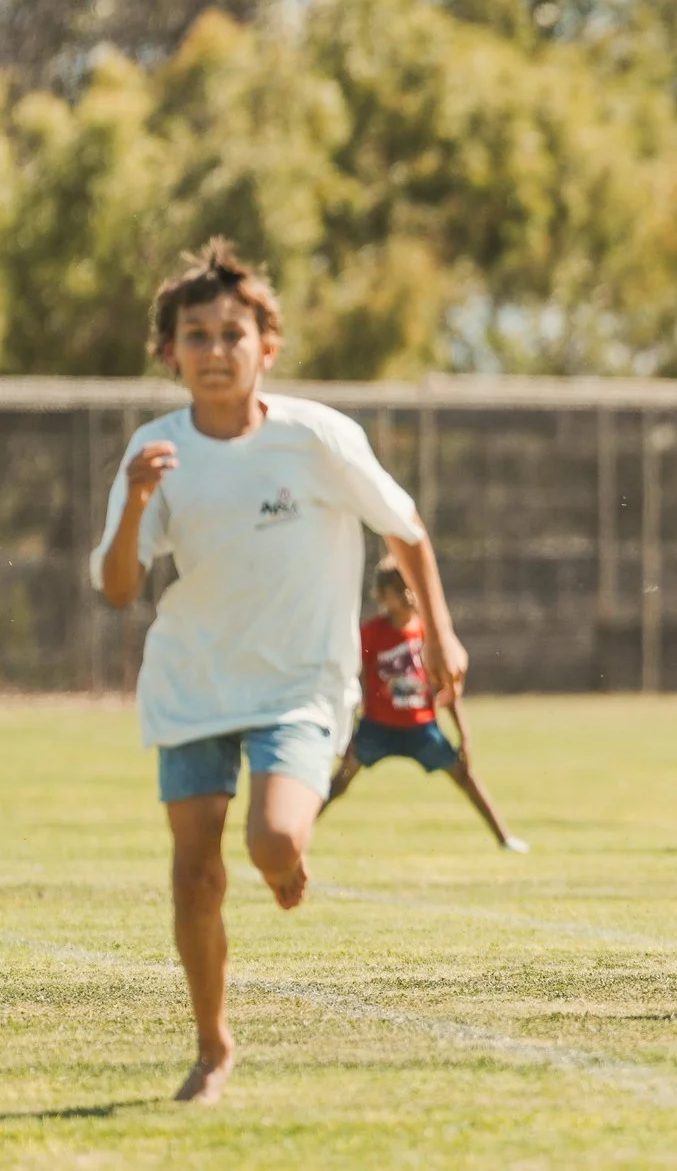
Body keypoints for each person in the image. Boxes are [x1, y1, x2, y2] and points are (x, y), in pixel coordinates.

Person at [89, 239, 468, 1104]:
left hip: (300, 680)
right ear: (168, 353)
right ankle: (213, 1046)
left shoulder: (319, 437)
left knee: (272, 840)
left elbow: (405, 530)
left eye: (233, 332)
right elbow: (117, 587)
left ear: (268, 345)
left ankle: (287, 858)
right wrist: (139, 501)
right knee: (194, 871)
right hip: (194, 681)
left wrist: (442, 636)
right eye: (197, 335)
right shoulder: (154, 451)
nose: (216, 350)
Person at [321, 558, 526, 852]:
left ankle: (505, 839)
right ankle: (297, 837)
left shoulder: (428, 633)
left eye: (408, 587)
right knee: (339, 782)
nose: (404, 595)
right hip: (377, 728)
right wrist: (348, 730)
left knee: (464, 777)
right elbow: (352, 682)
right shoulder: (371, 633)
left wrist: (464, 735)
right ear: (381, 594)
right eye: (395, 589)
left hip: (421, 728)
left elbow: (448, 686)